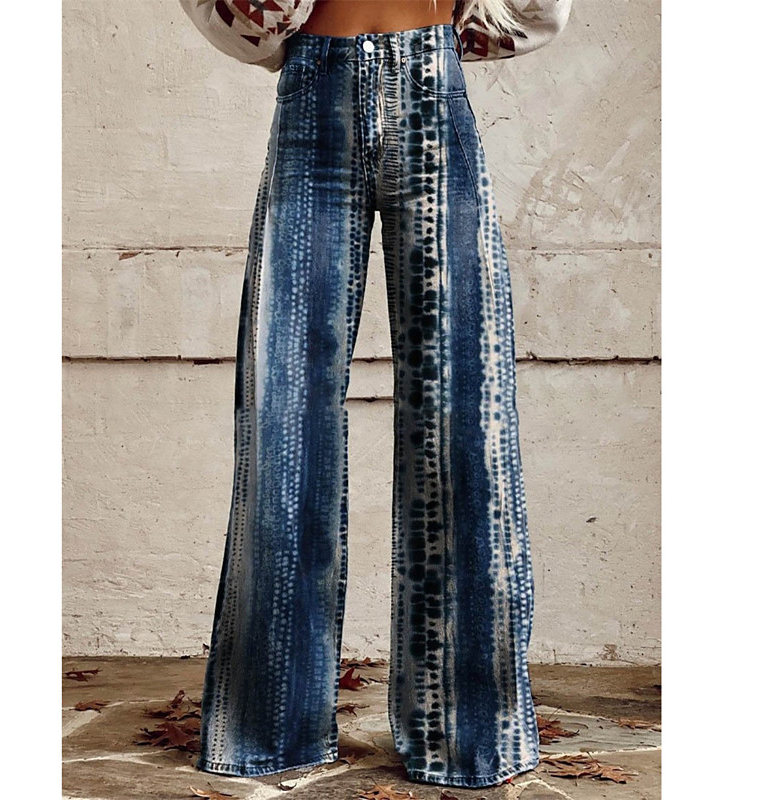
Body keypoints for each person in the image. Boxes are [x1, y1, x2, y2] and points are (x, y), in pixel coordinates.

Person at [177, 0, 572, 790]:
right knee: (283, 412)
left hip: (433, 87)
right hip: (312, 93)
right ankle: (268, 728)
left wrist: (457, 34)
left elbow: (539, 9)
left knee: (467, 415)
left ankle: (471, 734)